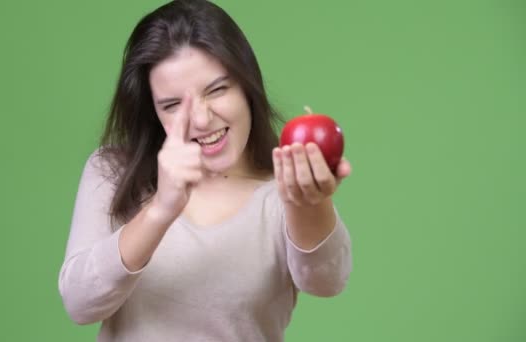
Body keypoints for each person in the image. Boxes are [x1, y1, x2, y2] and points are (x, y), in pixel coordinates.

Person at [58, 0, 353, 341]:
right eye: (171, 105)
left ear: (247, 87)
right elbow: (80, 303)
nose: (200, 119)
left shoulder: (278, 188)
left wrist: (310, 203)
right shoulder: (112, 171)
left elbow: (327, 281)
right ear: (152, 112)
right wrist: (160, 210)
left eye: (217, 89)